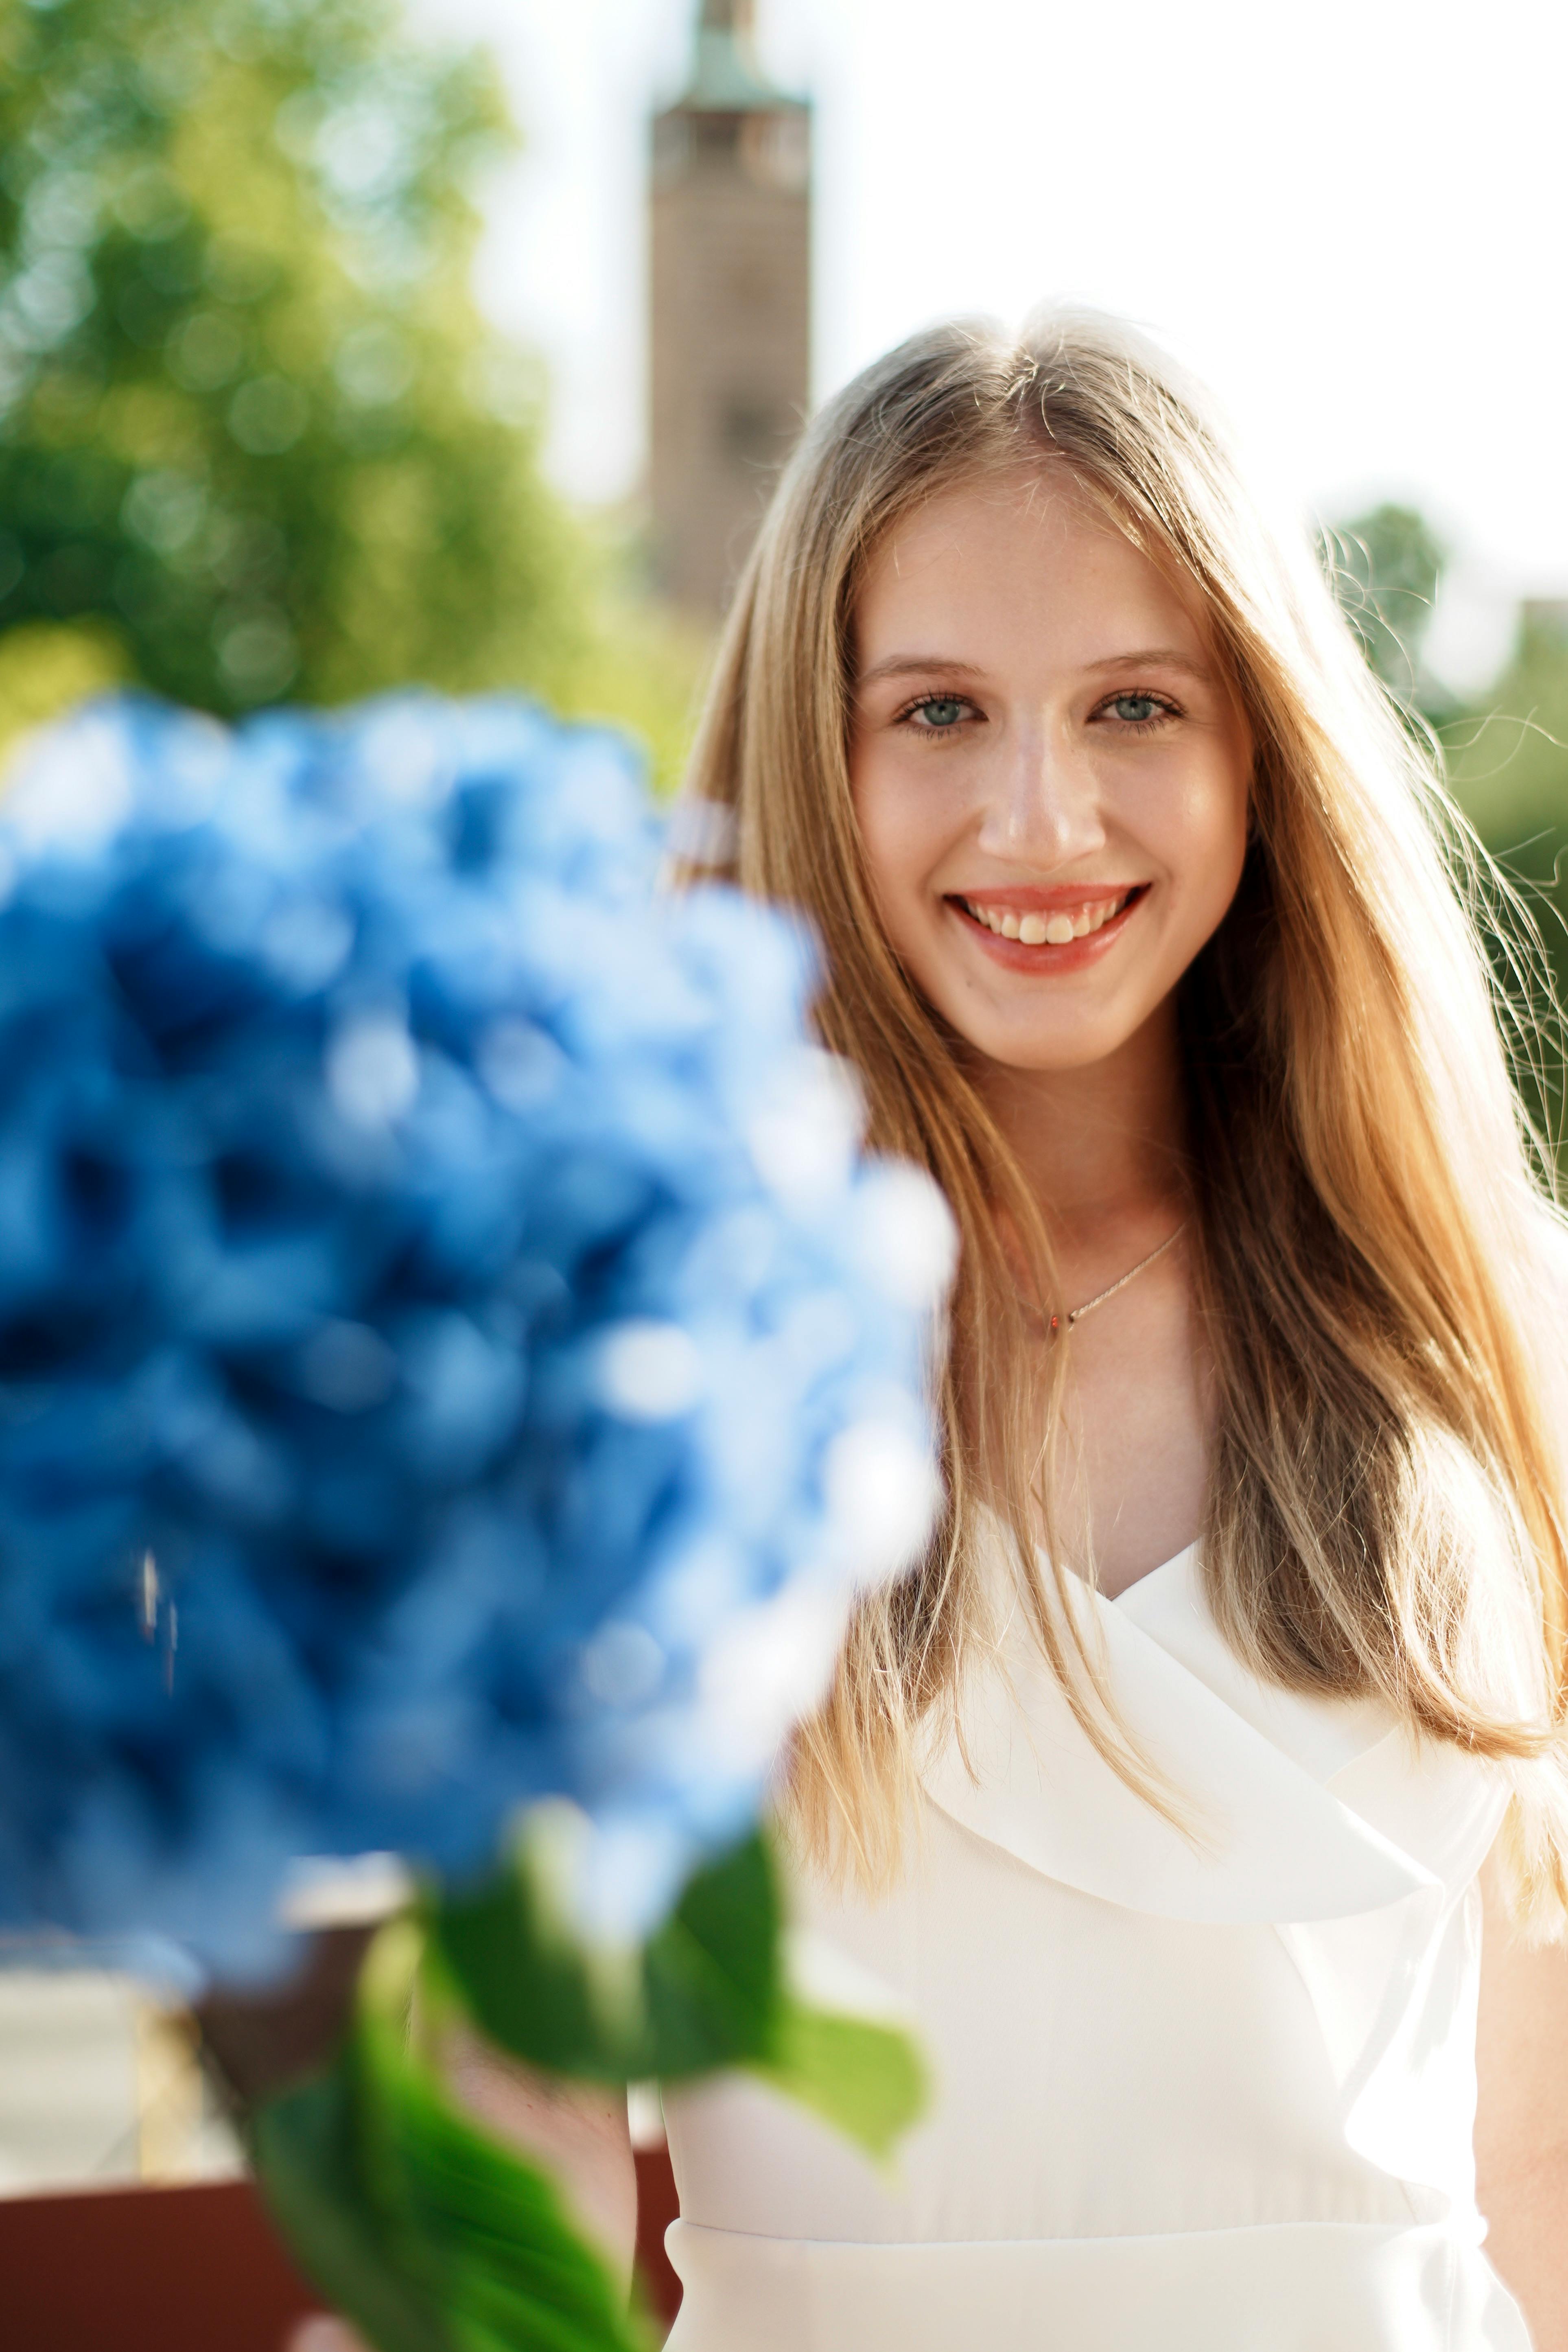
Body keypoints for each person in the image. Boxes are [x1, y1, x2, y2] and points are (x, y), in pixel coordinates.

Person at [293, 311, 1568, 2352]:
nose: (1045, 818)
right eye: (942, 712)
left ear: (1262, 741)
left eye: (1135, 703)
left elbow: (1544, 2154)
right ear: (822, 743)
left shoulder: (1494, 1318)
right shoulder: (613, 1346)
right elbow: (515, 2101)